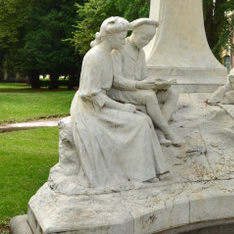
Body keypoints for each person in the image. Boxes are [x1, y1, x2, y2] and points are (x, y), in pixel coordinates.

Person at [70, 17, 169, 189]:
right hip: (91, 110)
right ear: (110, 37)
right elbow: (90, 94)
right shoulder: (94, 56)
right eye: (122, 38)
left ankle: (148, 172)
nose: (124, 41)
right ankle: (141, 175)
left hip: (102, 104)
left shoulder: (107, 55)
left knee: (144, 120)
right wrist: (121, 107)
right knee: (138, 123)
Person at [108, 18, 182, 146]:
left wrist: (157, 83)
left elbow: (143, 76)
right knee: (149, 96)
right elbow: (116, 80)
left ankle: (159, 132)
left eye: (149, 40)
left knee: (173, 93)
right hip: (120, 91)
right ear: (135, 33)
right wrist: (140, 85)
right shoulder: (119, 49)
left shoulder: (140, 52)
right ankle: (167, 132)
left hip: (136, 89)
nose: (147, 42)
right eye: (145, 38)